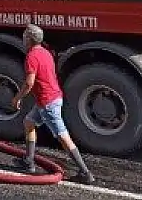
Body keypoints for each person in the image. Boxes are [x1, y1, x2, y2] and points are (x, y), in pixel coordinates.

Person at [11, 23, 95, 184]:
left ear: (28, 39)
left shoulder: (31, 57)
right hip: (52, 98)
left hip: (48, 102)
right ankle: (28, 162)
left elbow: (29, 83)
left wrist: (17, 98)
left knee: (63, 137)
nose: (22, 38)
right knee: (29, 122)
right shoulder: (45, 52)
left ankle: (85, 172)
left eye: (24, 36)